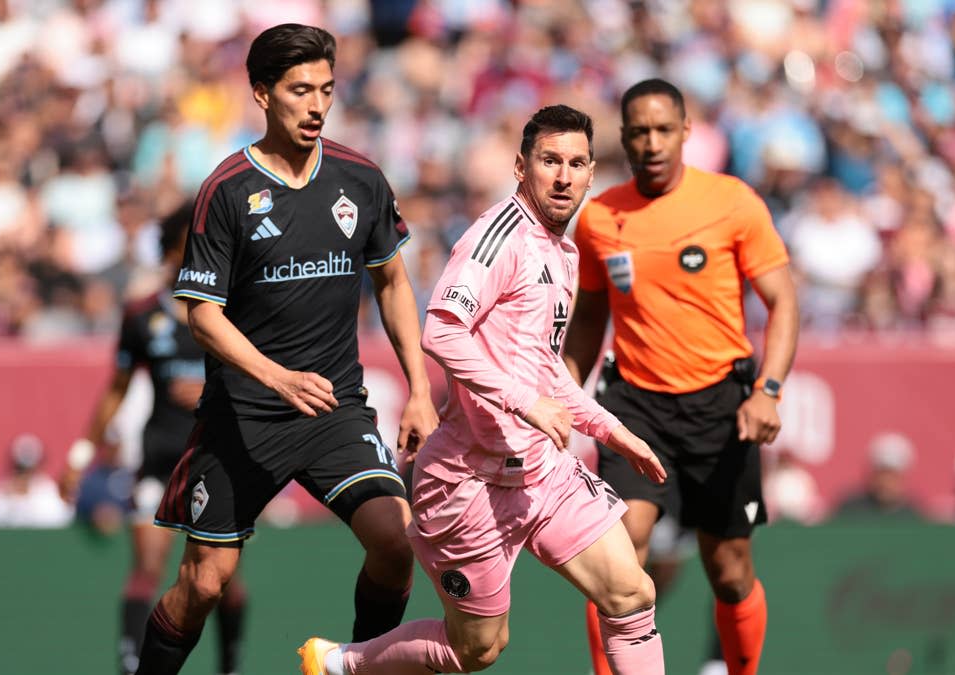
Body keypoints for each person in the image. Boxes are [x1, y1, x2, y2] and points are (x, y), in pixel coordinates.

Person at [299, 105, 668, 675]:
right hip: (470, 482)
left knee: (632, 595)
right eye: (550, 161)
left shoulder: (563, 251)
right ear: (521, 167)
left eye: (576, 163)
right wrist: (525, 403)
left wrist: (612, 430)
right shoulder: (498, 237)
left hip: (543, 474)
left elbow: (543, 367)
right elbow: (441, 329)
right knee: (477, 650)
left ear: (593, 173)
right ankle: (342, 664)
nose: (564, 176)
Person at [135, 23, 437, 674]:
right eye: (301, 90)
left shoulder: (360, 177)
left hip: (334, 409)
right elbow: (202, 315)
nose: (317, 105)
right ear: (262, 94)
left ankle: (360, 665)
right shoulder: (227, 190)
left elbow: (391, 280)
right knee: (203, 585)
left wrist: (418, 387)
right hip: (243, 417)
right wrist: (277, 378)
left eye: (327, 89)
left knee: (395, 542)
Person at [564, 79, 799, 675]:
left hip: (722, 405)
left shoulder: (732, 202)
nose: (652, 142)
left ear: (687, 132)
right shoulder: (599, 218)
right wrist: (562, 395)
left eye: (664, 129)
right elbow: (590, 315)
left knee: (729, 570)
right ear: (623, 138)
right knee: (619, 556)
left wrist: (768, 392)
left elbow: (784, 302)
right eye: (639, 131)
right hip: (634, 406)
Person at [73, 202, 249, 675]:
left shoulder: (232, 309)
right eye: (189, 246)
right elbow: (117, 387)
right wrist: (81, 452)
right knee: (148, 567)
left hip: (217, 458)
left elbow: (260, 376)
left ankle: (229, 663)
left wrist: (215, 388)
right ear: (172, 250)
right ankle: (133, 664)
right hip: (159, 458)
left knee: (221, 579)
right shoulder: (141, 314)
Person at [0, 433, 75, 528]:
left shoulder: (49, 495)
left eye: (29, 471)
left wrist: (27, 500)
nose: (24, 476)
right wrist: (10, 500)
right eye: (20, 470)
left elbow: (60, 517)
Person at [831, 432, 922, 522]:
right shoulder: (851, 511)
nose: (886, 482)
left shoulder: (912, 516)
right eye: (882, 474)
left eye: (893, 475)